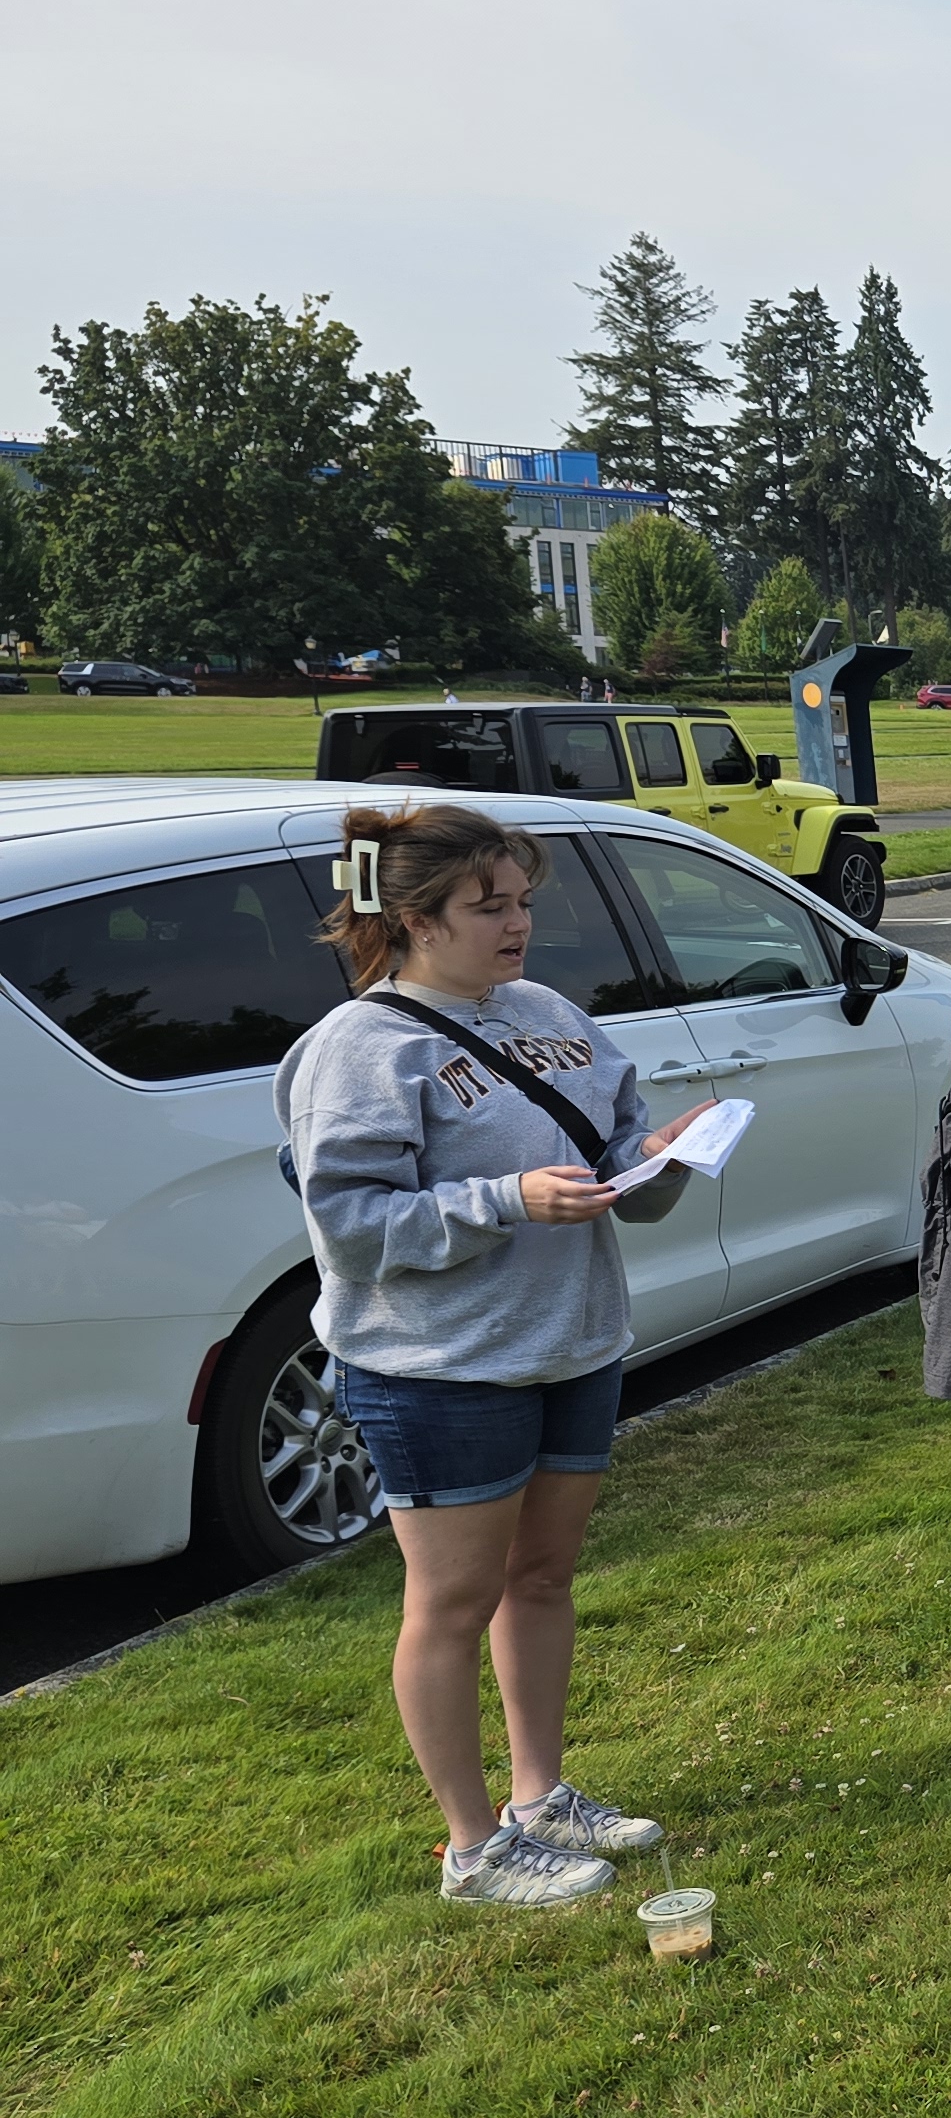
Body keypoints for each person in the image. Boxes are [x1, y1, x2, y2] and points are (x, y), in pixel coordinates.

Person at [275, 803, 711, 1908]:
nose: (518, 926)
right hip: (437, 1368)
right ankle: (474, 1850)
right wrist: (506, 1200)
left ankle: (541, 1795)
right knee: (453, 1602)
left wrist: (656, 1158)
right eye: (489, 908)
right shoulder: (360, 1048)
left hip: (570, 1342)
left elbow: (610, 1147)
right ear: (416, 919)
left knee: (544, 1578)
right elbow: (355, 1223)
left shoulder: (545, 1010)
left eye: (523, 902)